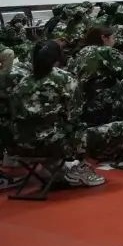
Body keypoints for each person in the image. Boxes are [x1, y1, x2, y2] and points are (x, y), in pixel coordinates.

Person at [5, 40, 106, 188]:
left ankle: (59, 170)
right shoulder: (65, 79)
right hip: (53, 145)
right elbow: (75, 115)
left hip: (19, 147)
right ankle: (79, 169)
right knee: (108, 131)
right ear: (58, 57)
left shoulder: (21, 82)